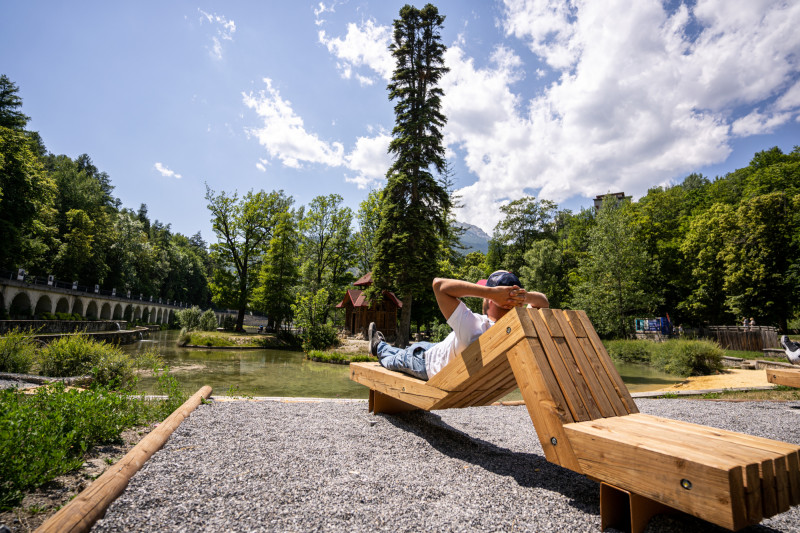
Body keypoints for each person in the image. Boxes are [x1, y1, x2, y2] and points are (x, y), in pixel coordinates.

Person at [368, 270, 549, 381]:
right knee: (410, 349)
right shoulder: (520, 326)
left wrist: (491, 292)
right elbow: (544, 302)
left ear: (492, 299)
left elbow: (439, 285)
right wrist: (519, 297)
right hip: (443, 350)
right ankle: (384, 345)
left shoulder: (475, 326)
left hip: (425, 362)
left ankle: (378, 346)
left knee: (396, 358)